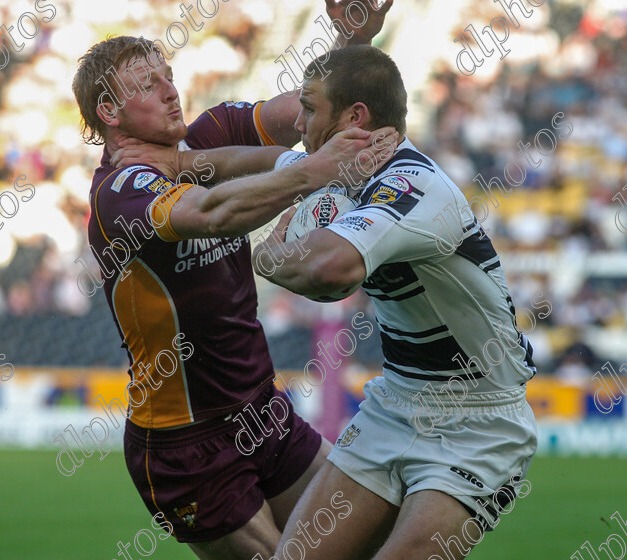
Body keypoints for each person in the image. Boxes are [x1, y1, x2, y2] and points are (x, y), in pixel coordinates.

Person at [70, 4, 395, 559]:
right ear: (109, 111)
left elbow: (311, 113)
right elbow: (215, 212)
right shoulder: (118, 192)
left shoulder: (209, 133)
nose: (171, 91)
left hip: (263, 411)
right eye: (148, 85)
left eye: (169, 76)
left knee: (374, 527)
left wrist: (350, 35)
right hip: (185, 441)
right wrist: (312, 172)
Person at [253, 45, 538, 560]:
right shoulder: (336, 175)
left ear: (354, 117)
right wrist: (177, 163)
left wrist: (276, 256)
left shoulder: (415, 184)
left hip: (478, 419)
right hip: (395, 406)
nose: (297, 123)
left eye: (309, 108)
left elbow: (328, 269)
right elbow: (249, 166)